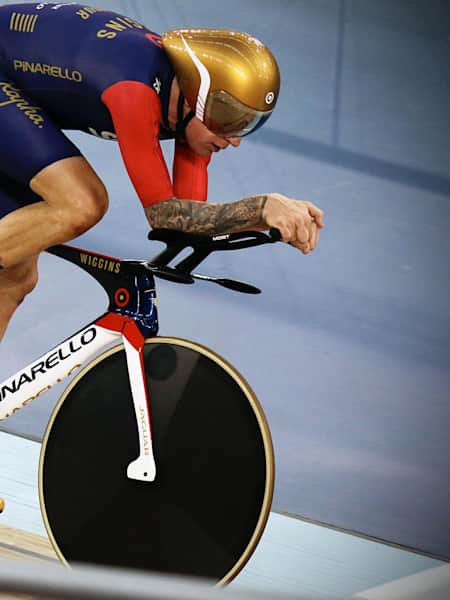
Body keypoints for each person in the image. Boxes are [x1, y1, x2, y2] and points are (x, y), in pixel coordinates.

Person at [0, 2, 324, 342]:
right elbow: (165, 216)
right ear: (197, 98)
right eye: (230, 122)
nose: (234, 140)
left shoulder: (190, 109)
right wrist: (262, 207)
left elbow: (188, 222)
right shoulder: (134, 90)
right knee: (82, 202)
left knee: (15, 276)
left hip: (16, 90)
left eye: (245, 126)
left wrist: (266, 220)